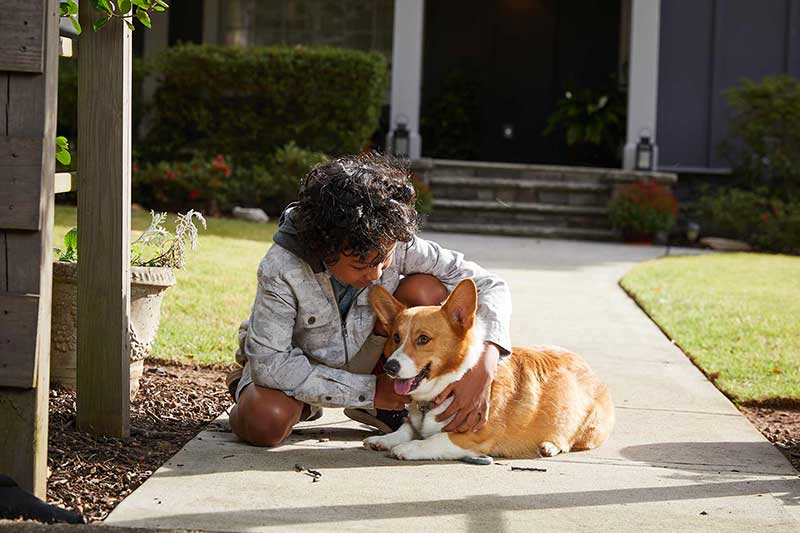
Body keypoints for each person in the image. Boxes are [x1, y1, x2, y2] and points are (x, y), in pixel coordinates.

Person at [227, 153, 512, 446]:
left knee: (424, 291)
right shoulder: (281, 268)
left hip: (373, 357)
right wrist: (369, 390)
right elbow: (272, 363)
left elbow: (490, 284)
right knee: (266, 419)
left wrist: (486, 360)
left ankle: (381, 406)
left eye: (384, 259)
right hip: (303, 367)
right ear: (326, 248)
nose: (375, 273)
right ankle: (273, 397)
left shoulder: (390, 237)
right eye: (361, 265)